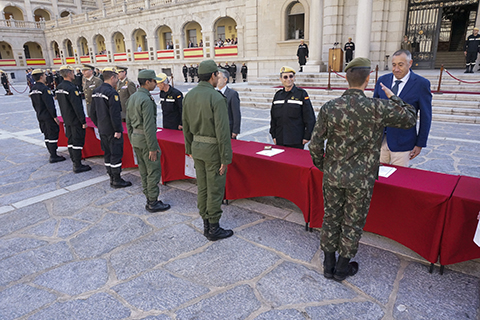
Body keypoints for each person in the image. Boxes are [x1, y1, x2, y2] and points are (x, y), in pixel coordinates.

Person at [309, 57, 417, 282]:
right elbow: (409, 117)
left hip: (334, 175)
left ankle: (328, 264)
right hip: (361, 179)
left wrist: (325, 167)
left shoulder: (330, 107)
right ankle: (341, 268)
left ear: (346, 79)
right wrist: (392, 95)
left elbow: (315, 144)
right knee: (352, 221)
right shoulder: (377, 107)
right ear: (368, 80)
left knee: (331, 217)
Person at [182, 59, 233, 241]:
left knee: (202, 187)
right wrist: (225, 158)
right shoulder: (216, 97)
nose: (218, 77)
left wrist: (189, 148)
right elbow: (222, 131)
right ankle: (213, 228)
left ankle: (205, 222)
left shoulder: (189, 96)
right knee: (215, 189)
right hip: (213, 150)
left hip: (197, 148)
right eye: (217, 74)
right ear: (213, 75)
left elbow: (186, 126)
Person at [374, 49, 432, 167]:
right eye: (394, 65)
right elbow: (374, 110)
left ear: (410, 63)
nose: (396, 69)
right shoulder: (382, 81)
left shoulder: (421, 84)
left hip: (403, 142)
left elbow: (426, 116)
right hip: (380, 141)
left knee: (398, 179)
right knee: (377, 178)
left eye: (400, 65)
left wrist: (420, 143)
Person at [126, 70, 171, 213]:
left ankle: (148, 198)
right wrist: (153, 147)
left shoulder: (133, 97)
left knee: (143, 170)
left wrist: (131, 139)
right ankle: (153, 201)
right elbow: (149, 126)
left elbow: (128, 122)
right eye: (154, 81)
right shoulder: (146, 99)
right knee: (153, 171)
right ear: (147, 82)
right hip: (146, 140)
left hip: (136, 138)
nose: (155, 83)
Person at [90, 67, 132, 189]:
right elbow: (115, 114)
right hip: (112, 131)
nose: (117, 80)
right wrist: (118, 130)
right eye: (116, 77)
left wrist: (99, 124)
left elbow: (92, 112)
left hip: (102, 129)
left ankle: (111, 177)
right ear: (112, 77)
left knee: (107, 154)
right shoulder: (111, 93)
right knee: (116, 154)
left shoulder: (96, 91)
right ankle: (117, 179)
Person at [56, 65, 91, 173]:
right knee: (77, 142)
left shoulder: (60, 87)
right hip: (75, 120)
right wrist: (83, 121)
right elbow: (77, 106)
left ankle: (74, 161)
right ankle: (77, 164)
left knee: (71, 141)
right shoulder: (71, 88)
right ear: (69, 73)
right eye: (72, 72)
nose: (74, 74)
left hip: (67, 119)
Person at [269, 66, 315, 149]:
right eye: (285, 77)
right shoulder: (278, 95)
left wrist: (307, 136)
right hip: (280, 138)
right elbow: (273, 117)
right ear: (281, 79)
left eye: (291, 76)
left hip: (296, 139)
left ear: (294, 77)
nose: (288, 79)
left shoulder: (301, 94)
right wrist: (273, 135)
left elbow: (309, 117)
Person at [29, 69, 66, 163]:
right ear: (41, 76)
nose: (46, 77)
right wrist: (54, 116)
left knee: (46, 134)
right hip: (48, 116)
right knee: (52, 134)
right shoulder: (44, 89)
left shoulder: (33, 89)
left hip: (40, 115)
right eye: (44, 75)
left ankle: (51, 153)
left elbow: (34, 104)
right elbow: (49, 104)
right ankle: (53, 155)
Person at [217, 68, 241, 139]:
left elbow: (236, 113)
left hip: (228, 128)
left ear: (225, 80)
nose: (216, 79)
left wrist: (235, 130)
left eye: (219, 78)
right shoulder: (213, 92)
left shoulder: (232, 94)